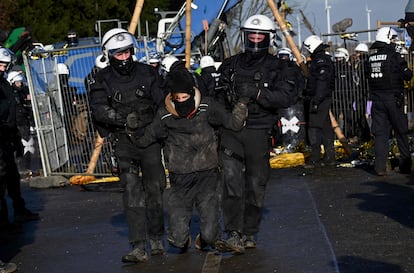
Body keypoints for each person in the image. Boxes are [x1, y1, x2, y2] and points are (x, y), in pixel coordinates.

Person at [135, 67, 247, 252]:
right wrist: (133, 126)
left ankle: (205, 239)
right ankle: (182, 239)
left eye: (184, 98)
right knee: (176, 240)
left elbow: (233, 124)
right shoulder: (165, 114)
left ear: (191, 93)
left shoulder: (207, 107)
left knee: (211, 235)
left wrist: (242, 104)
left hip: (208, 175)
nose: (181, 102)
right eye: (176, 99)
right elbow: (145, 139)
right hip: (180, 179)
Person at [216, 14, 298, 254]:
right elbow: (217, 97)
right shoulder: (230, 65)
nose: (254, 38)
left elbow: (287, 97)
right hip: (231, 130)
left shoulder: (279, 67)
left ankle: (248, 232)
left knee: (255, 184)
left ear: (268, 37)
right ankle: (232, 232)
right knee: (231, 181)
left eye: (259, 35)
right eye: (251, 34)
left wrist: (258, 94)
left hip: (259, 131)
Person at [88, 28, 166, 263]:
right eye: (118, 54)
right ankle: (138, 246)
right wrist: (122, 120)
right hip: (124, 142)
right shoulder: (102, 79)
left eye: (126, 52)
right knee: (132, 193)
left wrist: (155, 131)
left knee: (155, 190)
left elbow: (162, 103)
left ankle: (156, 238)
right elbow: (98, 108)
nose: (123, 57)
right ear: (110, 55)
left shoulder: (148, 73)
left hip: (150, 140)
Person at [0, 47, 39, 228]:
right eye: (0, 65)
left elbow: (12, 112)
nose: (2, 68)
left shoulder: (5, 85)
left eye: (5, 65)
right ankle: (4, 223)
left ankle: (19, 211)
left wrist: (15, 137)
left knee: (12, 177)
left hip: (7, 136)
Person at [368, 27, 413, 176]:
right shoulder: (394, 57)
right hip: (393, 100)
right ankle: (405, 165)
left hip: (377, 100)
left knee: (380, 134)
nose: (394, 41)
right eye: (393, 38)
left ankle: (380, 167)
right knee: (401, 131)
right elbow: (407, 75)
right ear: (387, 39)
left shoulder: (371, 58)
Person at [301, 35, 335, 169]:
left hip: (319, 98)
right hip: (321, 97)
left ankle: (315, 158)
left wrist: (316, 100)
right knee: (326, 126)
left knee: (314, 128)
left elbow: (322, 82)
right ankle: (329, 157)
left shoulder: (320, 61)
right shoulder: (322, 59)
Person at [7, 70, 34, 174]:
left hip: (23, 121)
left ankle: (24, 166)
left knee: (26, 144)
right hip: (16, 122)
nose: (20, 84)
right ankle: (19, 166)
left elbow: (25, 106)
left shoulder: (21, 92)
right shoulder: (10, 94)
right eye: (17, 83)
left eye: (20, 82)